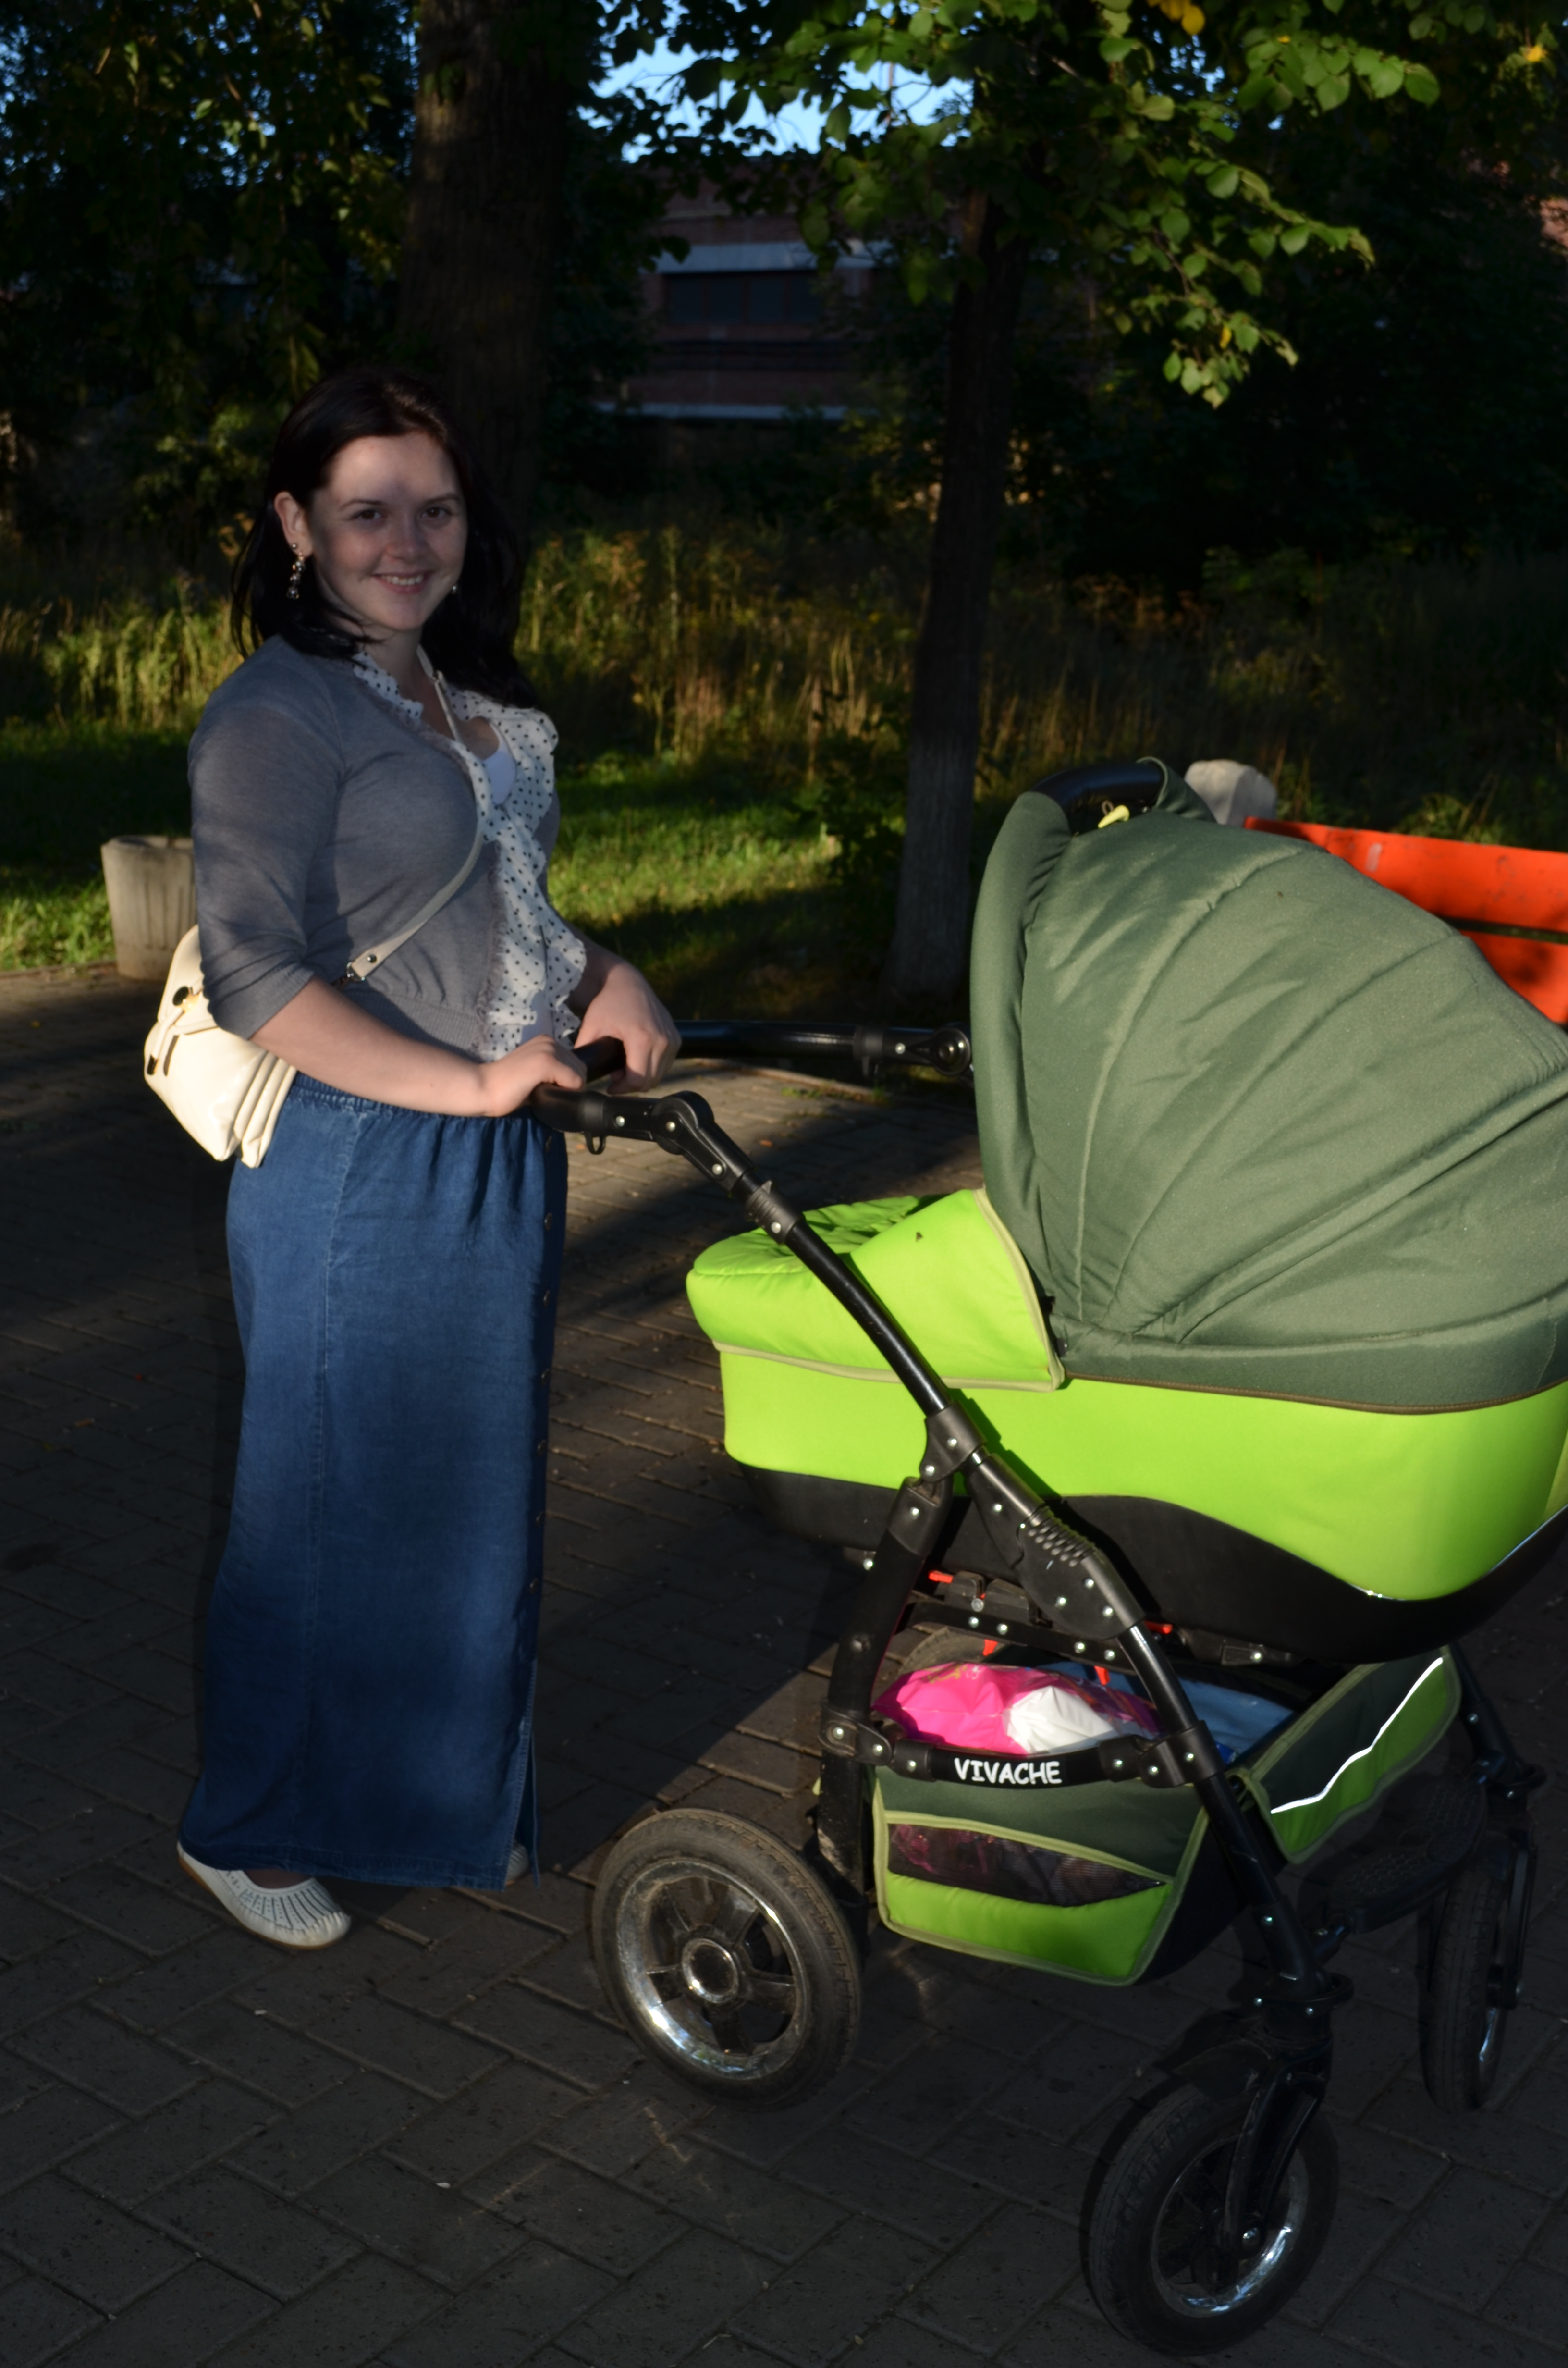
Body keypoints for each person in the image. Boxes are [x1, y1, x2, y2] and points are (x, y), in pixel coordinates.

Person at [175, 365, 675, 1948]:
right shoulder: (276, 712)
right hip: (361, 1156)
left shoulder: (456, 693)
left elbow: (497, 905)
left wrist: (604, 975)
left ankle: (403, 1803)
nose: (407, 542)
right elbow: (257, 979)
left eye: (435, 509)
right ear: (296, 525)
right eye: (367, 511)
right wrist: (467, 1087)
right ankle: (246, 1824)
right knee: (323, 1507)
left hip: (489, 1143)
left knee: (454, 1507)